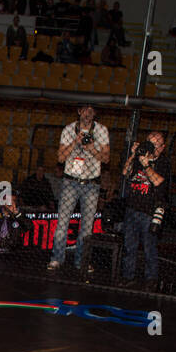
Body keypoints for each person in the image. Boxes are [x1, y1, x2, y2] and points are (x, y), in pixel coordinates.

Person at [50, 104, 110, 273]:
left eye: (91, 110)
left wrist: (91, 148)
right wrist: (75, 142)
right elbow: (60, 158)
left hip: (91, 183)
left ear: (95, 113)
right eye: (85, 110)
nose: (88, 113)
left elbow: (106, 159)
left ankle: (81, 261)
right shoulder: (69, 129)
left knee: (87, 226)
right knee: (62, 222)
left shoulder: (102, 131)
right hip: (71, 181)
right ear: (79, 111)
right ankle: (56, 259)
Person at [119, 130, 169, 290]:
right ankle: (128, 277)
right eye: (149, 141)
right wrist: (134, 155)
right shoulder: (138, 158)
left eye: (155, 143)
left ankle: (151, 279)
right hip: (132, 208)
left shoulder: (163, 162)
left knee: (149, 247)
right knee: (129, 246)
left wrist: (146, 165)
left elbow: (159, 182)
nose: (151, 146)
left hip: (150, 211)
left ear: (161, 147)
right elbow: (125, 172)